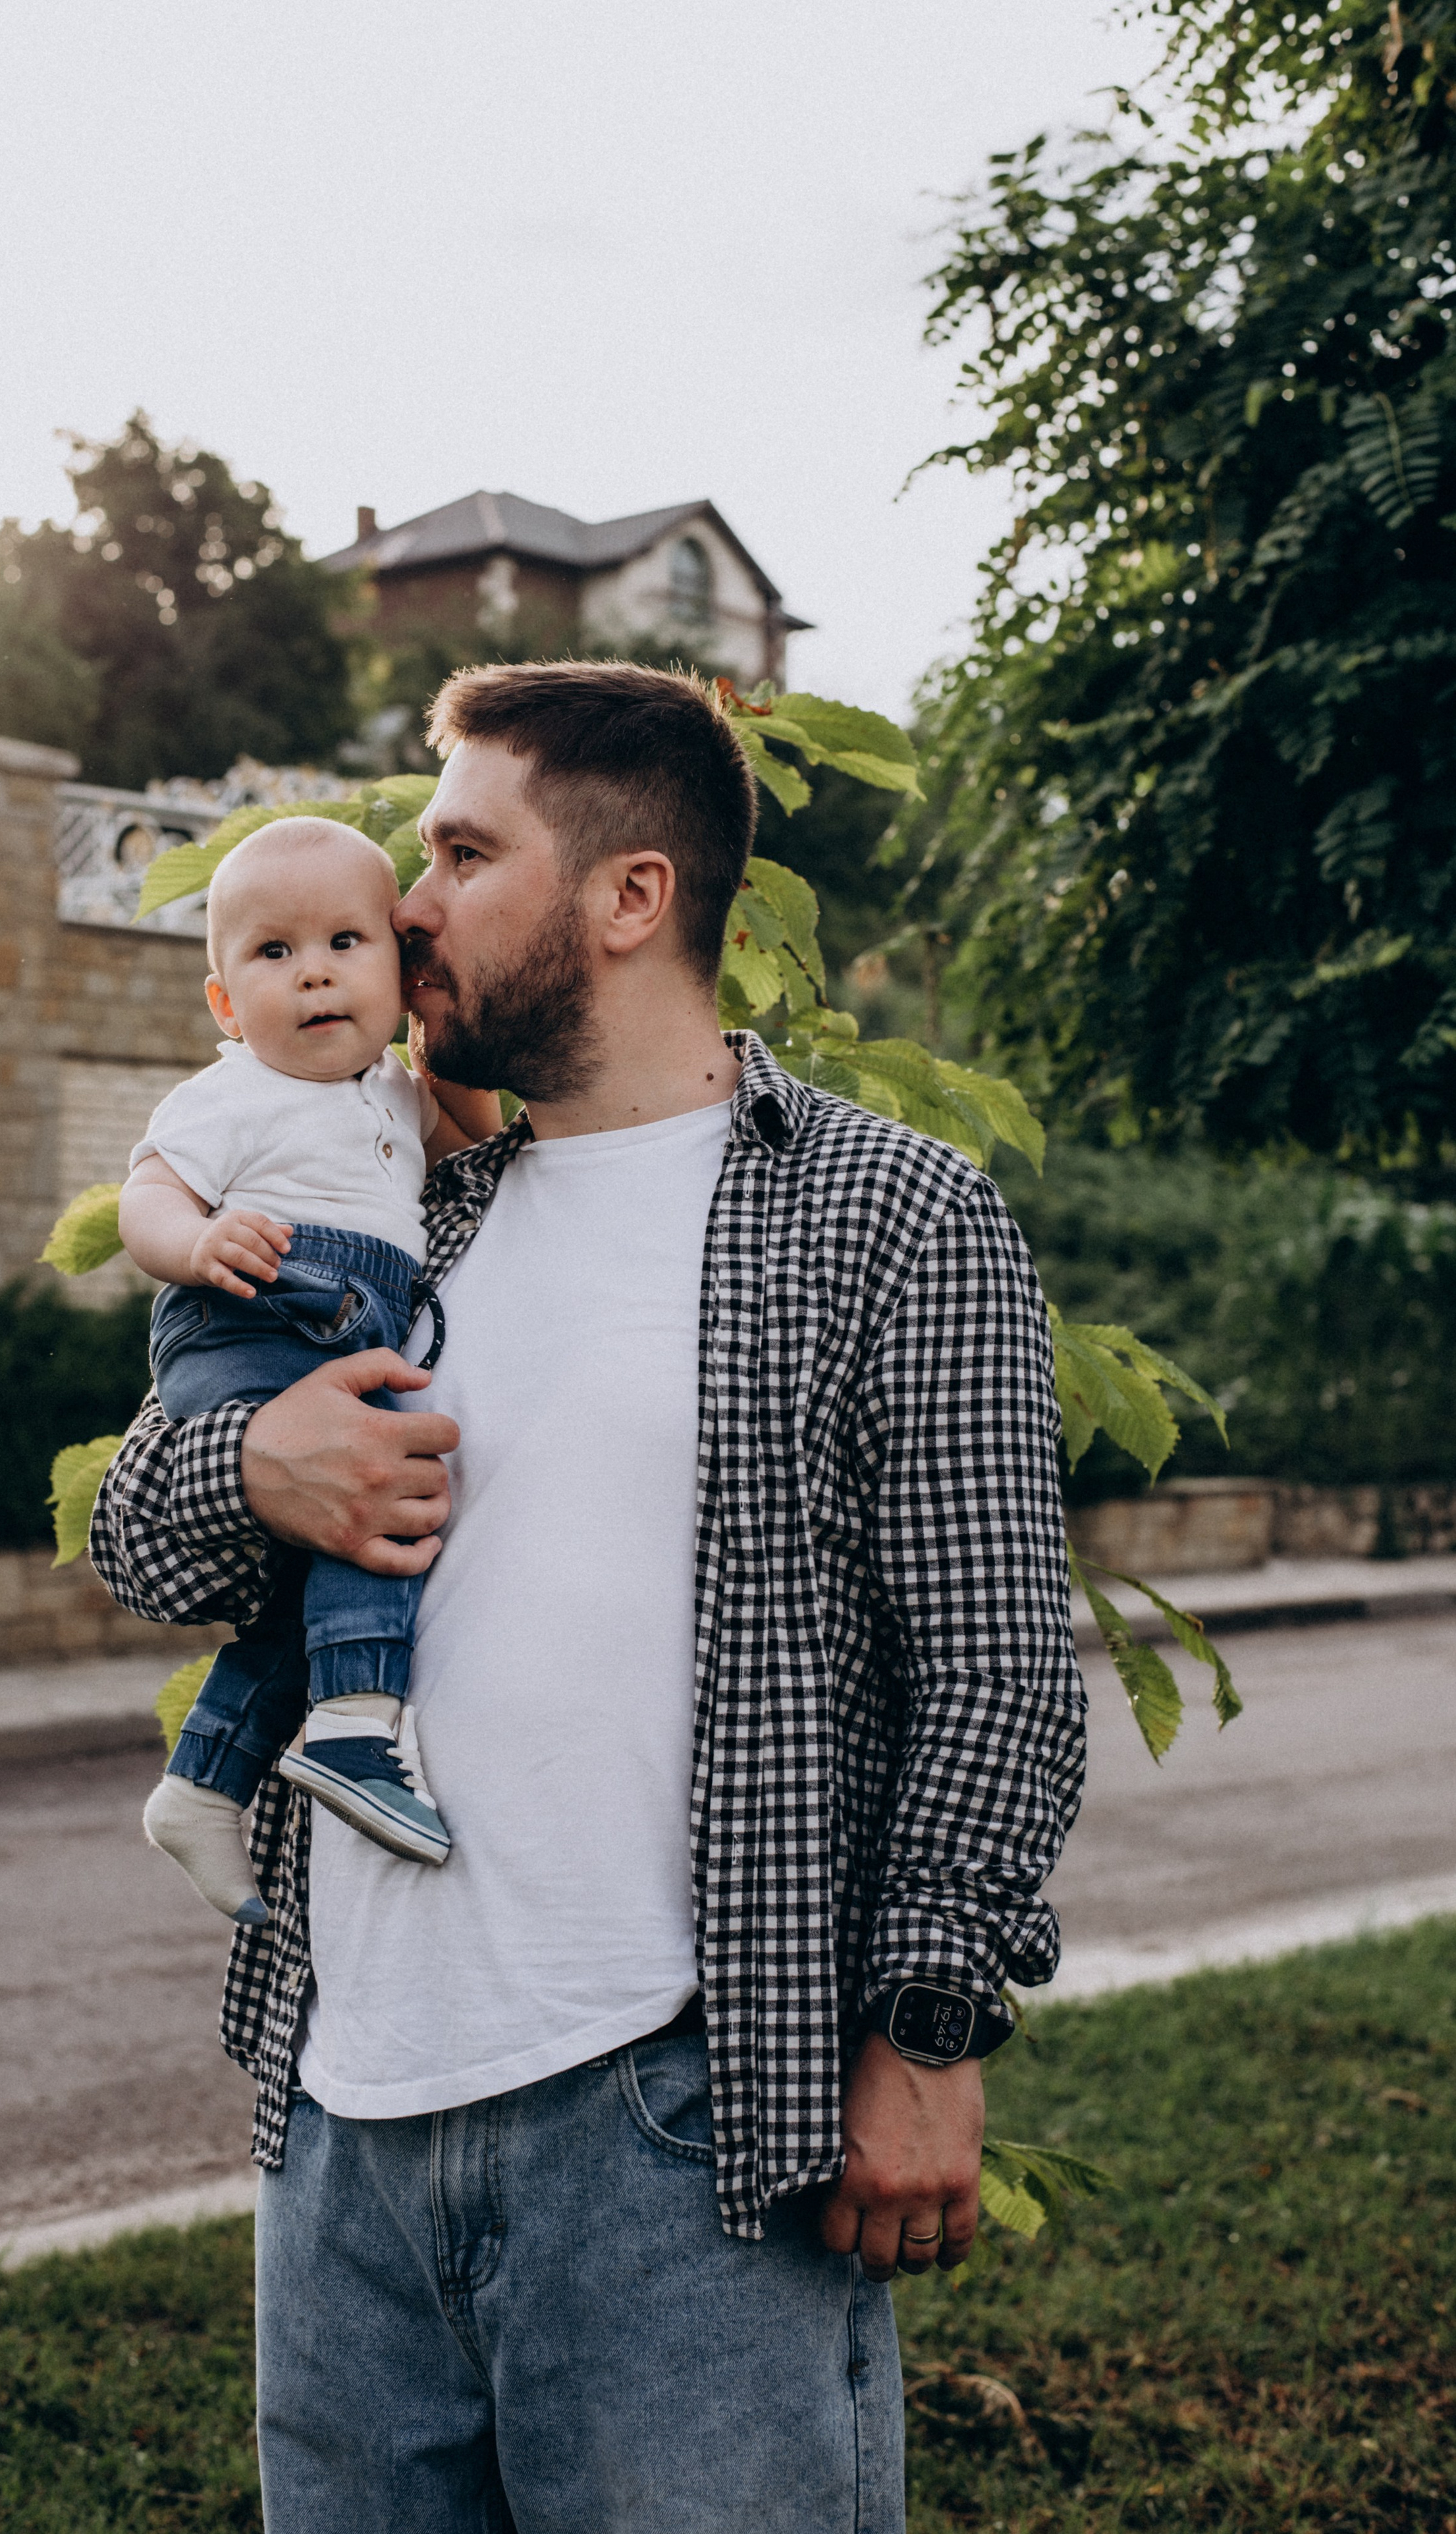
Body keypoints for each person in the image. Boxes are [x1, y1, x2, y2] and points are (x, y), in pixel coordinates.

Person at [90, 662, 1086, 2534]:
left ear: (630, 897)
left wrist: (930, 2031)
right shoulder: (400, 1204)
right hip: (343, 2125)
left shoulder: (892, 1214)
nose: (405, 910)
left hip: (682, 2136)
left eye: (462, 853)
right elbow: (147, 1546)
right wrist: (251, 1466)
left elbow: (995, 1664)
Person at [122, 816, 500, 1919]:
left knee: (302, 1596)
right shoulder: (229, 1094)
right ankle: (353, 1724)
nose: (316, 973)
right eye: (273, 954)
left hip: (342, 1324)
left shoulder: (391, 1093)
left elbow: (474, 1160)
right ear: (226, 1005)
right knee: (374, 1491)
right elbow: (150, 1195)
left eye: (348, 941)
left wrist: (444, 1058)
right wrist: (194, 1243)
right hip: (249, 1322)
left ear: (400, 971)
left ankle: (202, 1782)